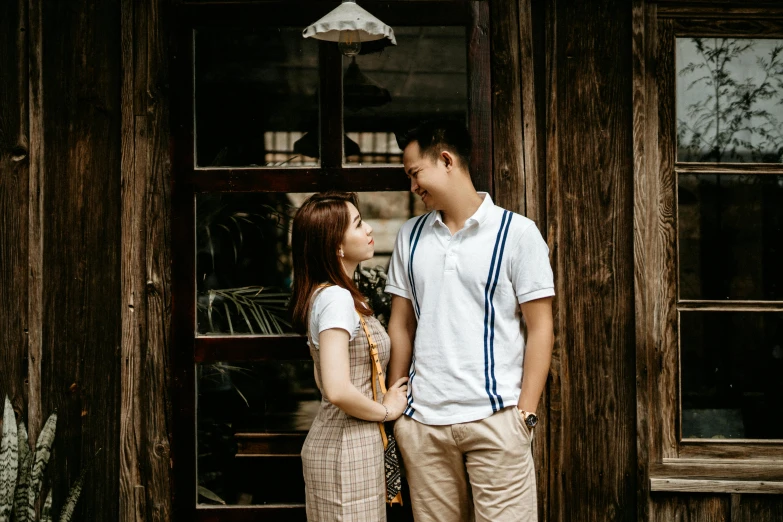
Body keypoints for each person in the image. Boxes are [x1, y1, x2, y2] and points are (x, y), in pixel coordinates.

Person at [385, 121, 555, 522]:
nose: (413, 186)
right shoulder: (409, 237)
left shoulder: (518, 233)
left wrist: (525, 415)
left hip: (496, 423)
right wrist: (398, 406)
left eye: (415, 173)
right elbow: (400, 324)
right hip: (424, 426)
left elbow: (541, 327)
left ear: (446, 160)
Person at [290, 191, 410, 522]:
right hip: (346, 445)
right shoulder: (335, 299)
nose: (369, 228)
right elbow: (338, 389)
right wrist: (387, 410)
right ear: (336, 245)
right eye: (358, 224)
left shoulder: (336, 295)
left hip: (353, 442)